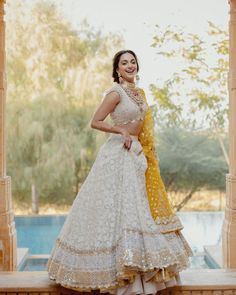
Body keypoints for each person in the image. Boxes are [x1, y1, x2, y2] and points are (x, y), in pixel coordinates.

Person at [47, 49, 193, 294]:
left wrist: (144, 151)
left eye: (133, 61)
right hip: (117, 154)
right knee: (120, 209)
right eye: (124, 63)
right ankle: (122, 271)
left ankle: (140, 270)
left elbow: (144, 127)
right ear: (116, 69)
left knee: (138, 209)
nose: (129, 65)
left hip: (136, 154)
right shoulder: (115, 92)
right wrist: (121, 132)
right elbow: (96, 120)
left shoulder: (139, 93)